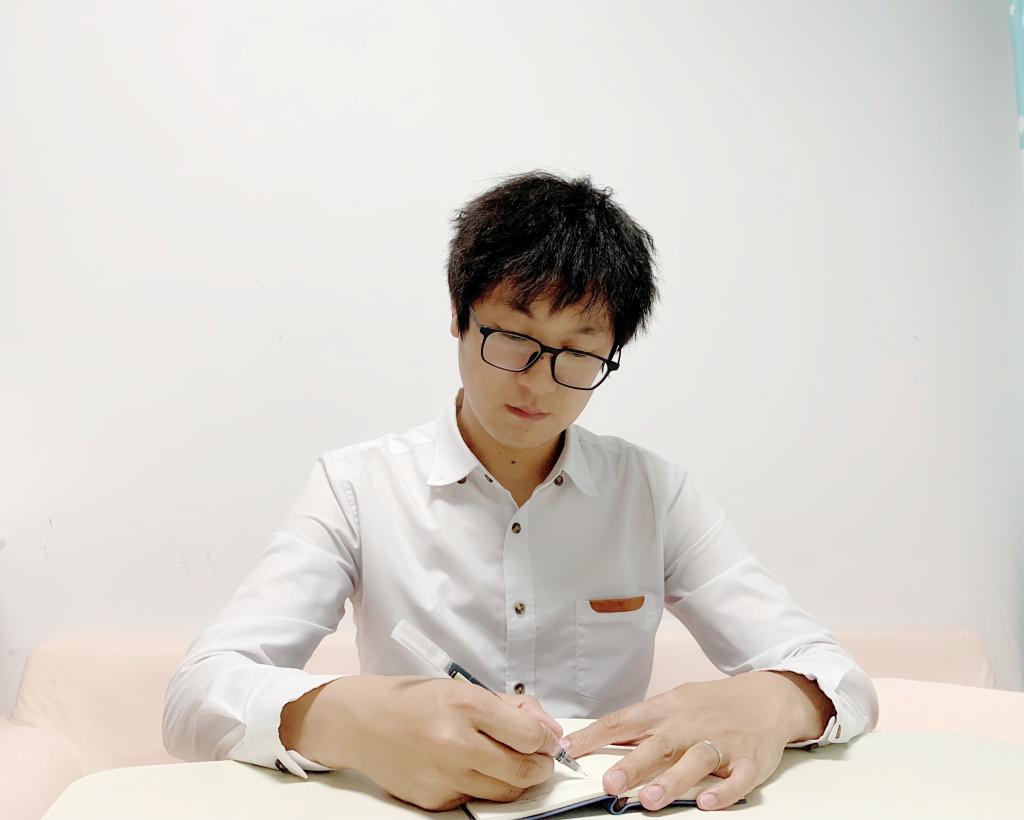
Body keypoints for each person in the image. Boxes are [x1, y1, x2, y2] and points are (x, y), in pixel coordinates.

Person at [162, 171, 878, 813]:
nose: (538, 381)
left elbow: (838, 678)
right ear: (459, 315)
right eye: (512, 337)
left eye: (579, 352)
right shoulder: (356, 486)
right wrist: (351, 718)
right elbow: (196, 696)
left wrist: (774, 701)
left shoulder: (654, 493)